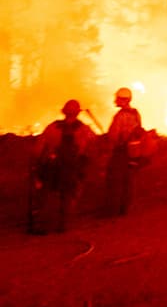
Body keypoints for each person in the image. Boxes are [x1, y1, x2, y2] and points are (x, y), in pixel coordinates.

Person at [29, 99, 96, 234]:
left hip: (53, 168)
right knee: (68, 197)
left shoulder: (53, 127)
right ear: (77, 113)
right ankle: (62, 225)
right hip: (71, 169)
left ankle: (42, 225)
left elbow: (38, 148)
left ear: (64, 112)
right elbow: (93, 147)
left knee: (46, 195)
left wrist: (37, 164)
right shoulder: (84, 130)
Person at [103, 87, 144, 216]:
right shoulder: (136, 113)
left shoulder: (120, 116)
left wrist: (106, 139)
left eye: (118, 98)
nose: (115, 100)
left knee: (115, 181)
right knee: (129, 181)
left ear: (123, 99)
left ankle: (113, 211)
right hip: (133, 152)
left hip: (121, 151)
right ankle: (125, 210)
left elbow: (113, 136)